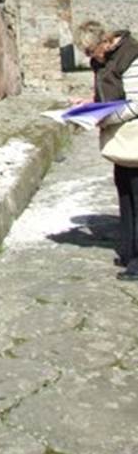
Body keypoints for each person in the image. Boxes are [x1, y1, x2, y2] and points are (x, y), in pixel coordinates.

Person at [74, 21, 138, 280]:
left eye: (91, 51)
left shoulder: (131, 55)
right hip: (122, 140)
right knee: (125, 194)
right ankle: (130, 249)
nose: (91, 57)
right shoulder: (102, 62)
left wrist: (105, 118)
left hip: (133, 136)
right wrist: (88, 105)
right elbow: (107, 95)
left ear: (104, 42)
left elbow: (135, 104)